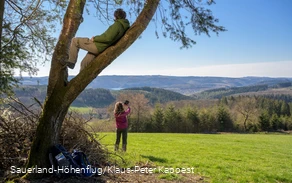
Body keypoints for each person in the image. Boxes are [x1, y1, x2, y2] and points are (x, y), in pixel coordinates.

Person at [64, 8, 130, 71]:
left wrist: (95, 38)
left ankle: (71, 62)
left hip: (98, 46)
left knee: (75, 41)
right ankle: (78, 81)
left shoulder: (117, 25)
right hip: (102, 48)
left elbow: (107, 38)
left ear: (116, 16)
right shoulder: (124, 27)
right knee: (84, 63)